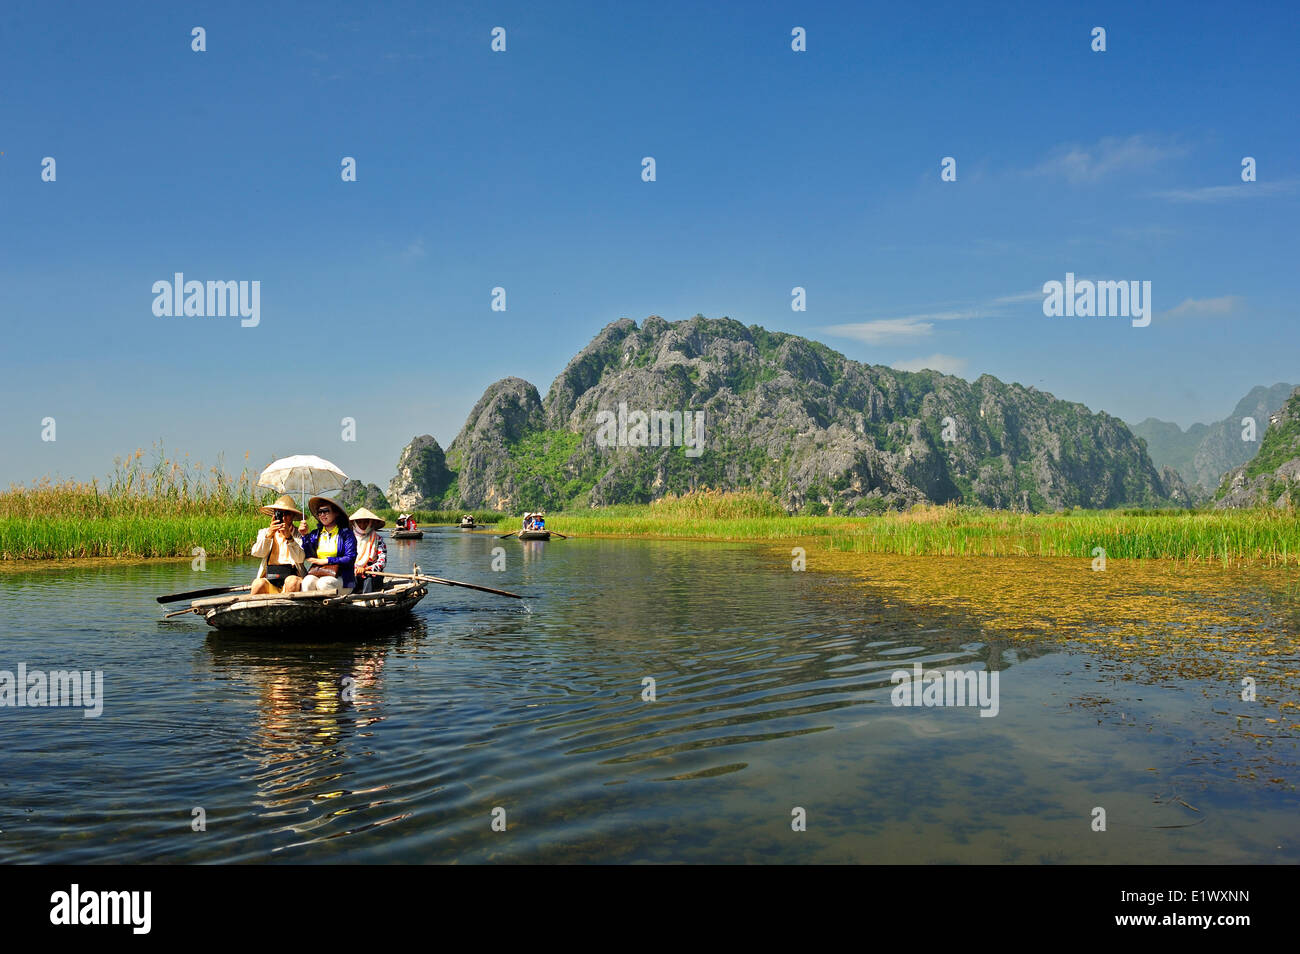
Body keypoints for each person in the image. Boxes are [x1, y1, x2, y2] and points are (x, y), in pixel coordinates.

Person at [299, 495, 357, 595]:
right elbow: (309, 555)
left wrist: (326, 561)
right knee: (307, 582)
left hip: (342, 579)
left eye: (326, 511)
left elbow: (350, 558)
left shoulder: (346, 534)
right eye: (319, 512)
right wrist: (304, 535)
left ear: (336, 513)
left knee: (323, 583)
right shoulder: (315, 534)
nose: (322, 515)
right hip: (319, 573)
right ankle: (312, 608)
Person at [250, 495, 306, 595]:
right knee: (257, 584)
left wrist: (290, 538)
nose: (283, 517)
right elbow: (257, 553)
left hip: (293, 576)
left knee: (292, 582)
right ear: (274, 515)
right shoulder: (264, 532)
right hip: (271, 576)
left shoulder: (300, 534)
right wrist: (269, 535)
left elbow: (300, 559)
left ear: (293, 515)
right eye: (279, 513)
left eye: (287, 513)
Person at [350, 507, 388, 595]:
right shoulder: (349, 539)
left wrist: (366, 569)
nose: (362, 525)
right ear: (354, 523)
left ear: (371, 523)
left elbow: (382, 562)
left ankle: (366, 600)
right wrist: (355, 569)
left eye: (366, 521)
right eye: (359, 522)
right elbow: (345, 558)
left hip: (371, 574)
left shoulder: (378, 539)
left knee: (369, 579)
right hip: (353, 573)